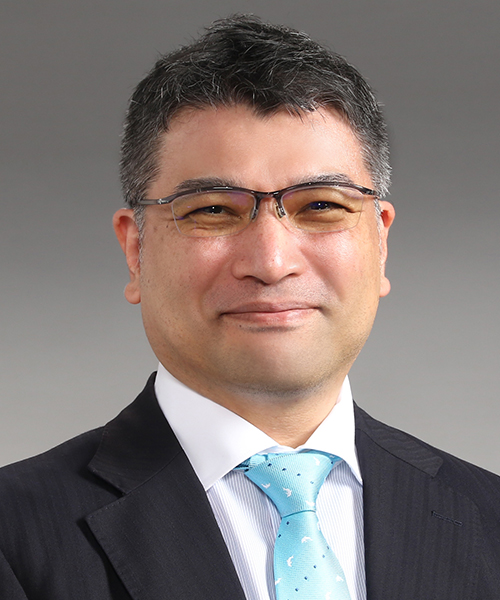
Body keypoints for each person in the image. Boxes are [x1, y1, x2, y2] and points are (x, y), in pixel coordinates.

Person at [1, 14, 499, 600]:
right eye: (213, 210)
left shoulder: (489, 518)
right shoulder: (14, 537)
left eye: (321, 206)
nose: (271, 262)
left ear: (380, 241)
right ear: (136, 250)